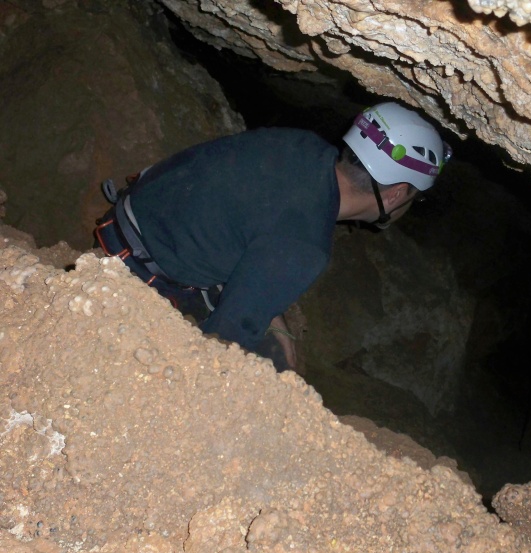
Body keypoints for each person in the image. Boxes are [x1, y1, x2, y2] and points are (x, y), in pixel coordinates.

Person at [94, 101, 451, 372]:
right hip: (135, 265)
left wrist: (271, 313)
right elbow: (221, 341)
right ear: (395, 194)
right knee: (273, 365)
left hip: (134, 213)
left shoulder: (301, 146)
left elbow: (259, 221)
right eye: (413, 197)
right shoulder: (306, 244)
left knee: (271, 320)